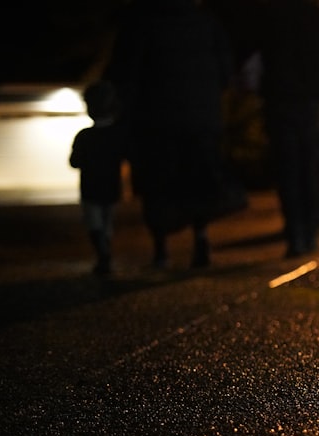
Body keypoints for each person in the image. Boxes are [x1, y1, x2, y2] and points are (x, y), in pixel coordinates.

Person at [105, 0, 235, 269]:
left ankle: (161, 248)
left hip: (156, 119)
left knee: (159, 183)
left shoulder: (142, 22)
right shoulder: (205, 22)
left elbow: (124, 72)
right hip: (200, 117)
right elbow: (225, 68)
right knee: (198, 179)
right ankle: (200, 237)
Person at [255, 0, 319, 258]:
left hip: (281, 100)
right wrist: (318, 85)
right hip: (307, 100)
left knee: (288, 169)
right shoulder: (315, 16)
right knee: (306, 166)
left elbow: (260, 57)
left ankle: (296, 233)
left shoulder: (272, 16)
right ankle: (309, 230)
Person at [70, 81, 126, 275]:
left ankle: (103, 255)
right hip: (111, 186)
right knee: (107, 223)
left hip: (90, 187)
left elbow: (74, 162)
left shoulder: (84, 136)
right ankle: (105, 254)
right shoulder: (118, 135)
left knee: (95, 224)